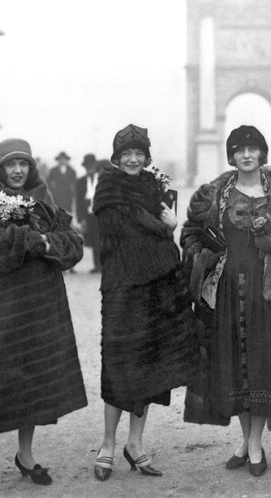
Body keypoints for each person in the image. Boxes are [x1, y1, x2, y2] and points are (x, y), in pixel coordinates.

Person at [0, 138, 87, 493]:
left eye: (23, 164)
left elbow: (72, 243)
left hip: (44, 301)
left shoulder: (44, 199)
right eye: (11, 165)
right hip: (8, 303)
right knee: (1, 372)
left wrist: (42, 243)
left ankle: (25, 454)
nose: (18, 171)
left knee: (35, 373)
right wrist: (36, 240)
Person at [181, 125, 271, 477]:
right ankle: (244, 439)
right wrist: (204, 263)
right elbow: (191, 235)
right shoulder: (215, 194)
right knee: (234, 365)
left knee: (262, 363)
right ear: (232, 156)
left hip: (265, 290)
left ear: (262, 153)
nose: (247, 154)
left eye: (253, 148)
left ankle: (255, 445)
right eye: (239, 149)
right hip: (225, 289)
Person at [91, 124, 196, 481]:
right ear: (117, 158)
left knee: (151, 362)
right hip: (123, 285)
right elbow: (126, 230)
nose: (133, 159)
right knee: (119, 362)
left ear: (146, 158)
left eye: (139, 154)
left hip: (156, 284)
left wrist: (169, 226)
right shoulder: (107, 189)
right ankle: (107, 444)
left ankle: (135, 444)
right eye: (127, 154)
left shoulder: (153, 187)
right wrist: (165, 227)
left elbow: (156, 227)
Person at [76, 153, 102, 273]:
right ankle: (97, 266)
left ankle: (103, 265)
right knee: (93, 240)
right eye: (87, 166)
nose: (89, 168)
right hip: (89, 216)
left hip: (101, 214)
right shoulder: (81, 181)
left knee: (102, 240)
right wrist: (81, 218)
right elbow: (78, 201)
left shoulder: (102, 180)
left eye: (91, 166)